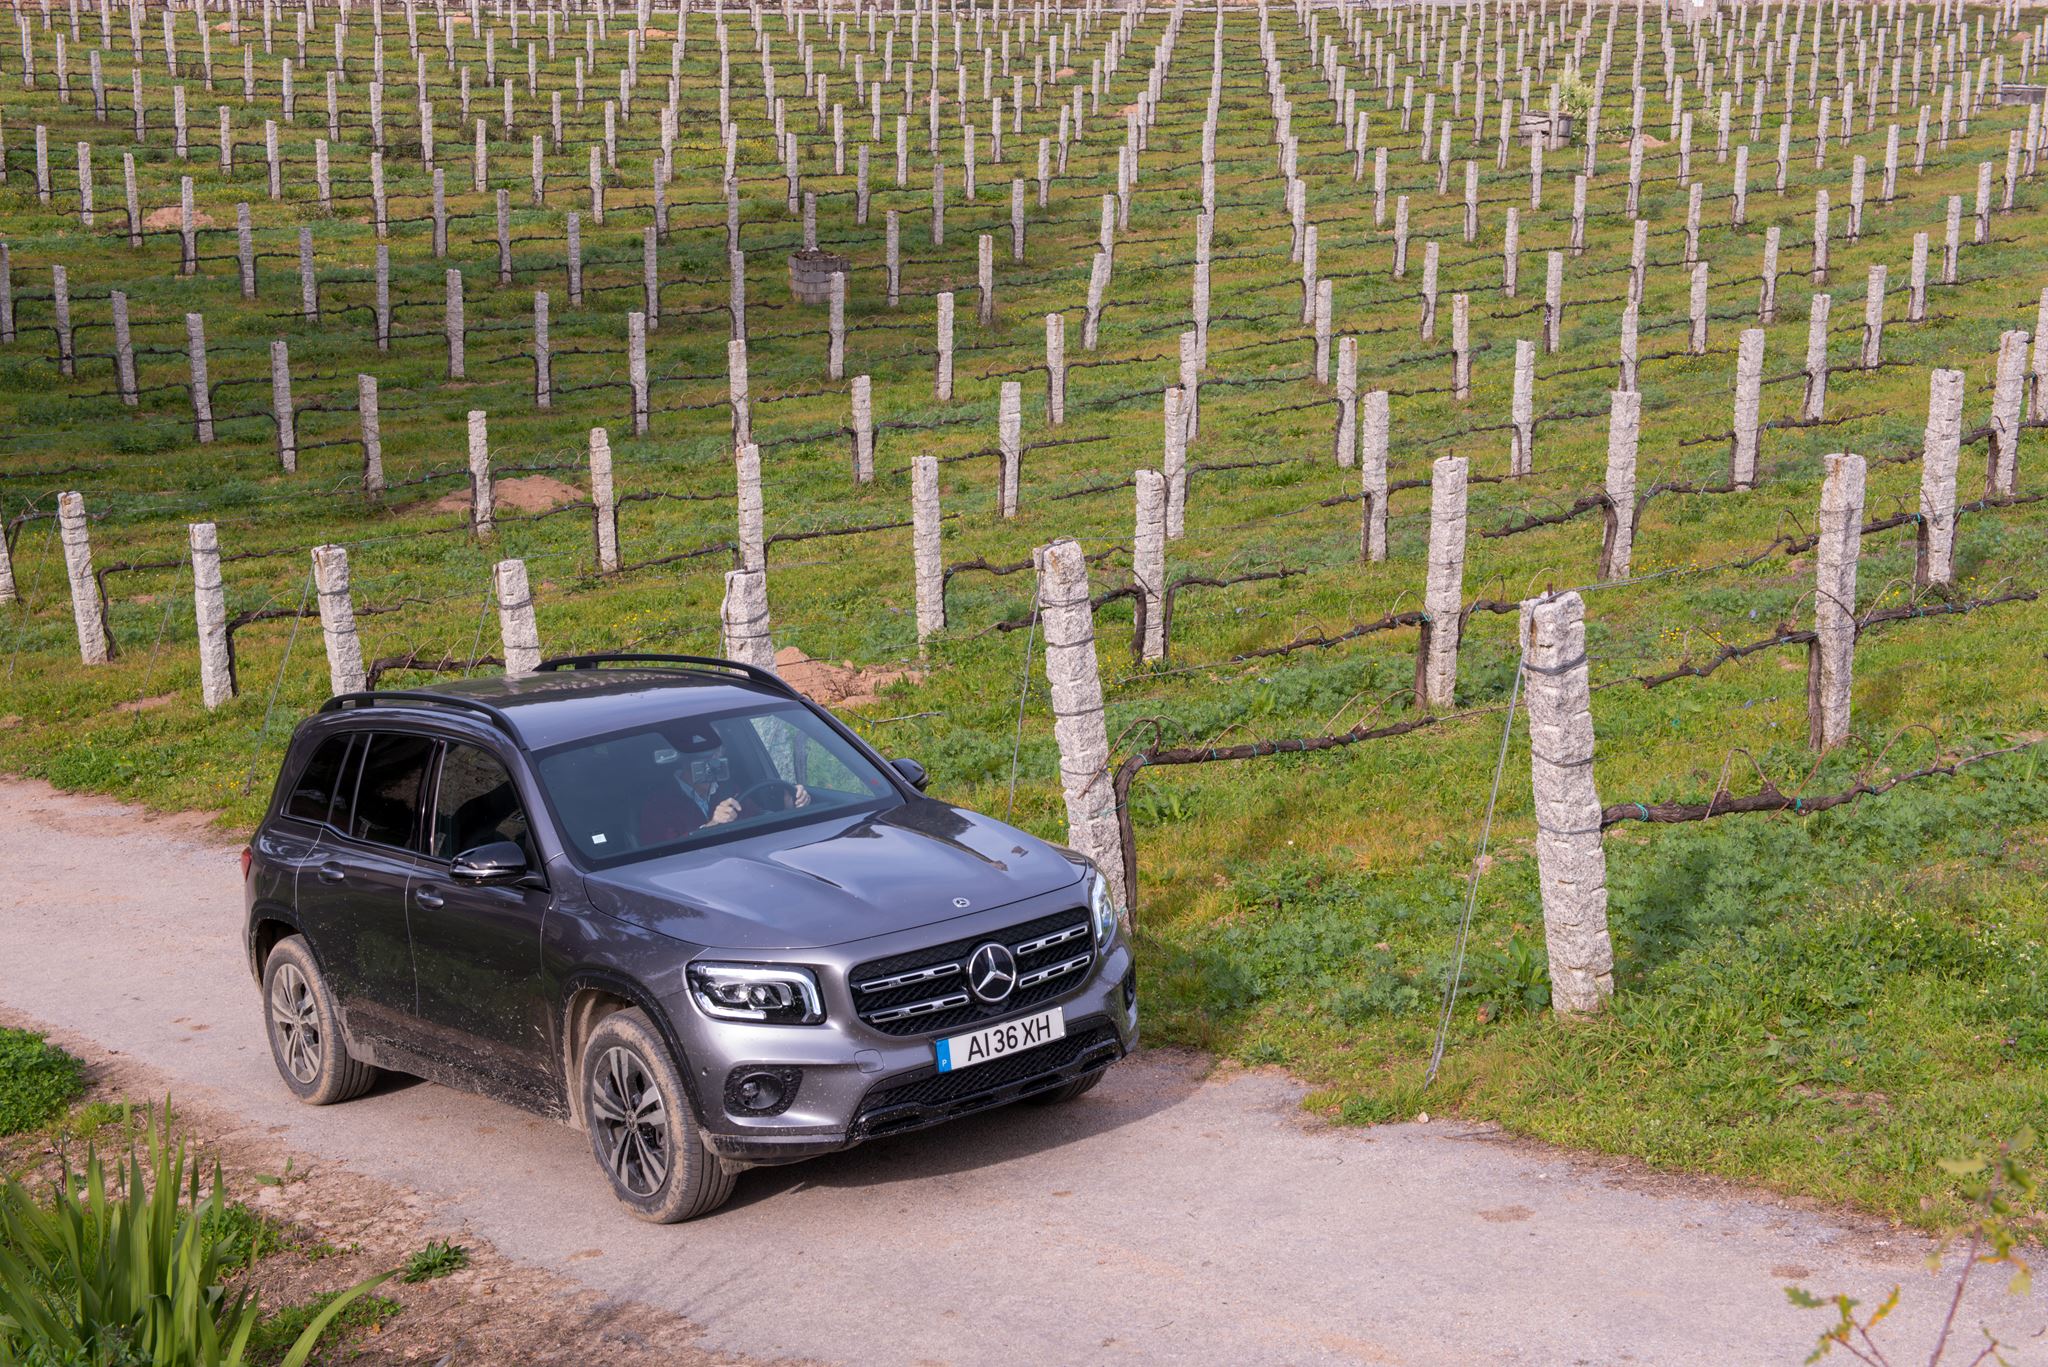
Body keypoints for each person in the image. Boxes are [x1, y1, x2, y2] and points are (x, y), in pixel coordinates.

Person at [637, 734, 810, 847]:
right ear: (686, 760)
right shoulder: (659, 803)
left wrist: (790, 808)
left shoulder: (729, 789)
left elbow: (758, 824)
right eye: (707, 757)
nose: (715, 761)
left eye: (718, 753)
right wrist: (712, 825)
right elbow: (662, 853)